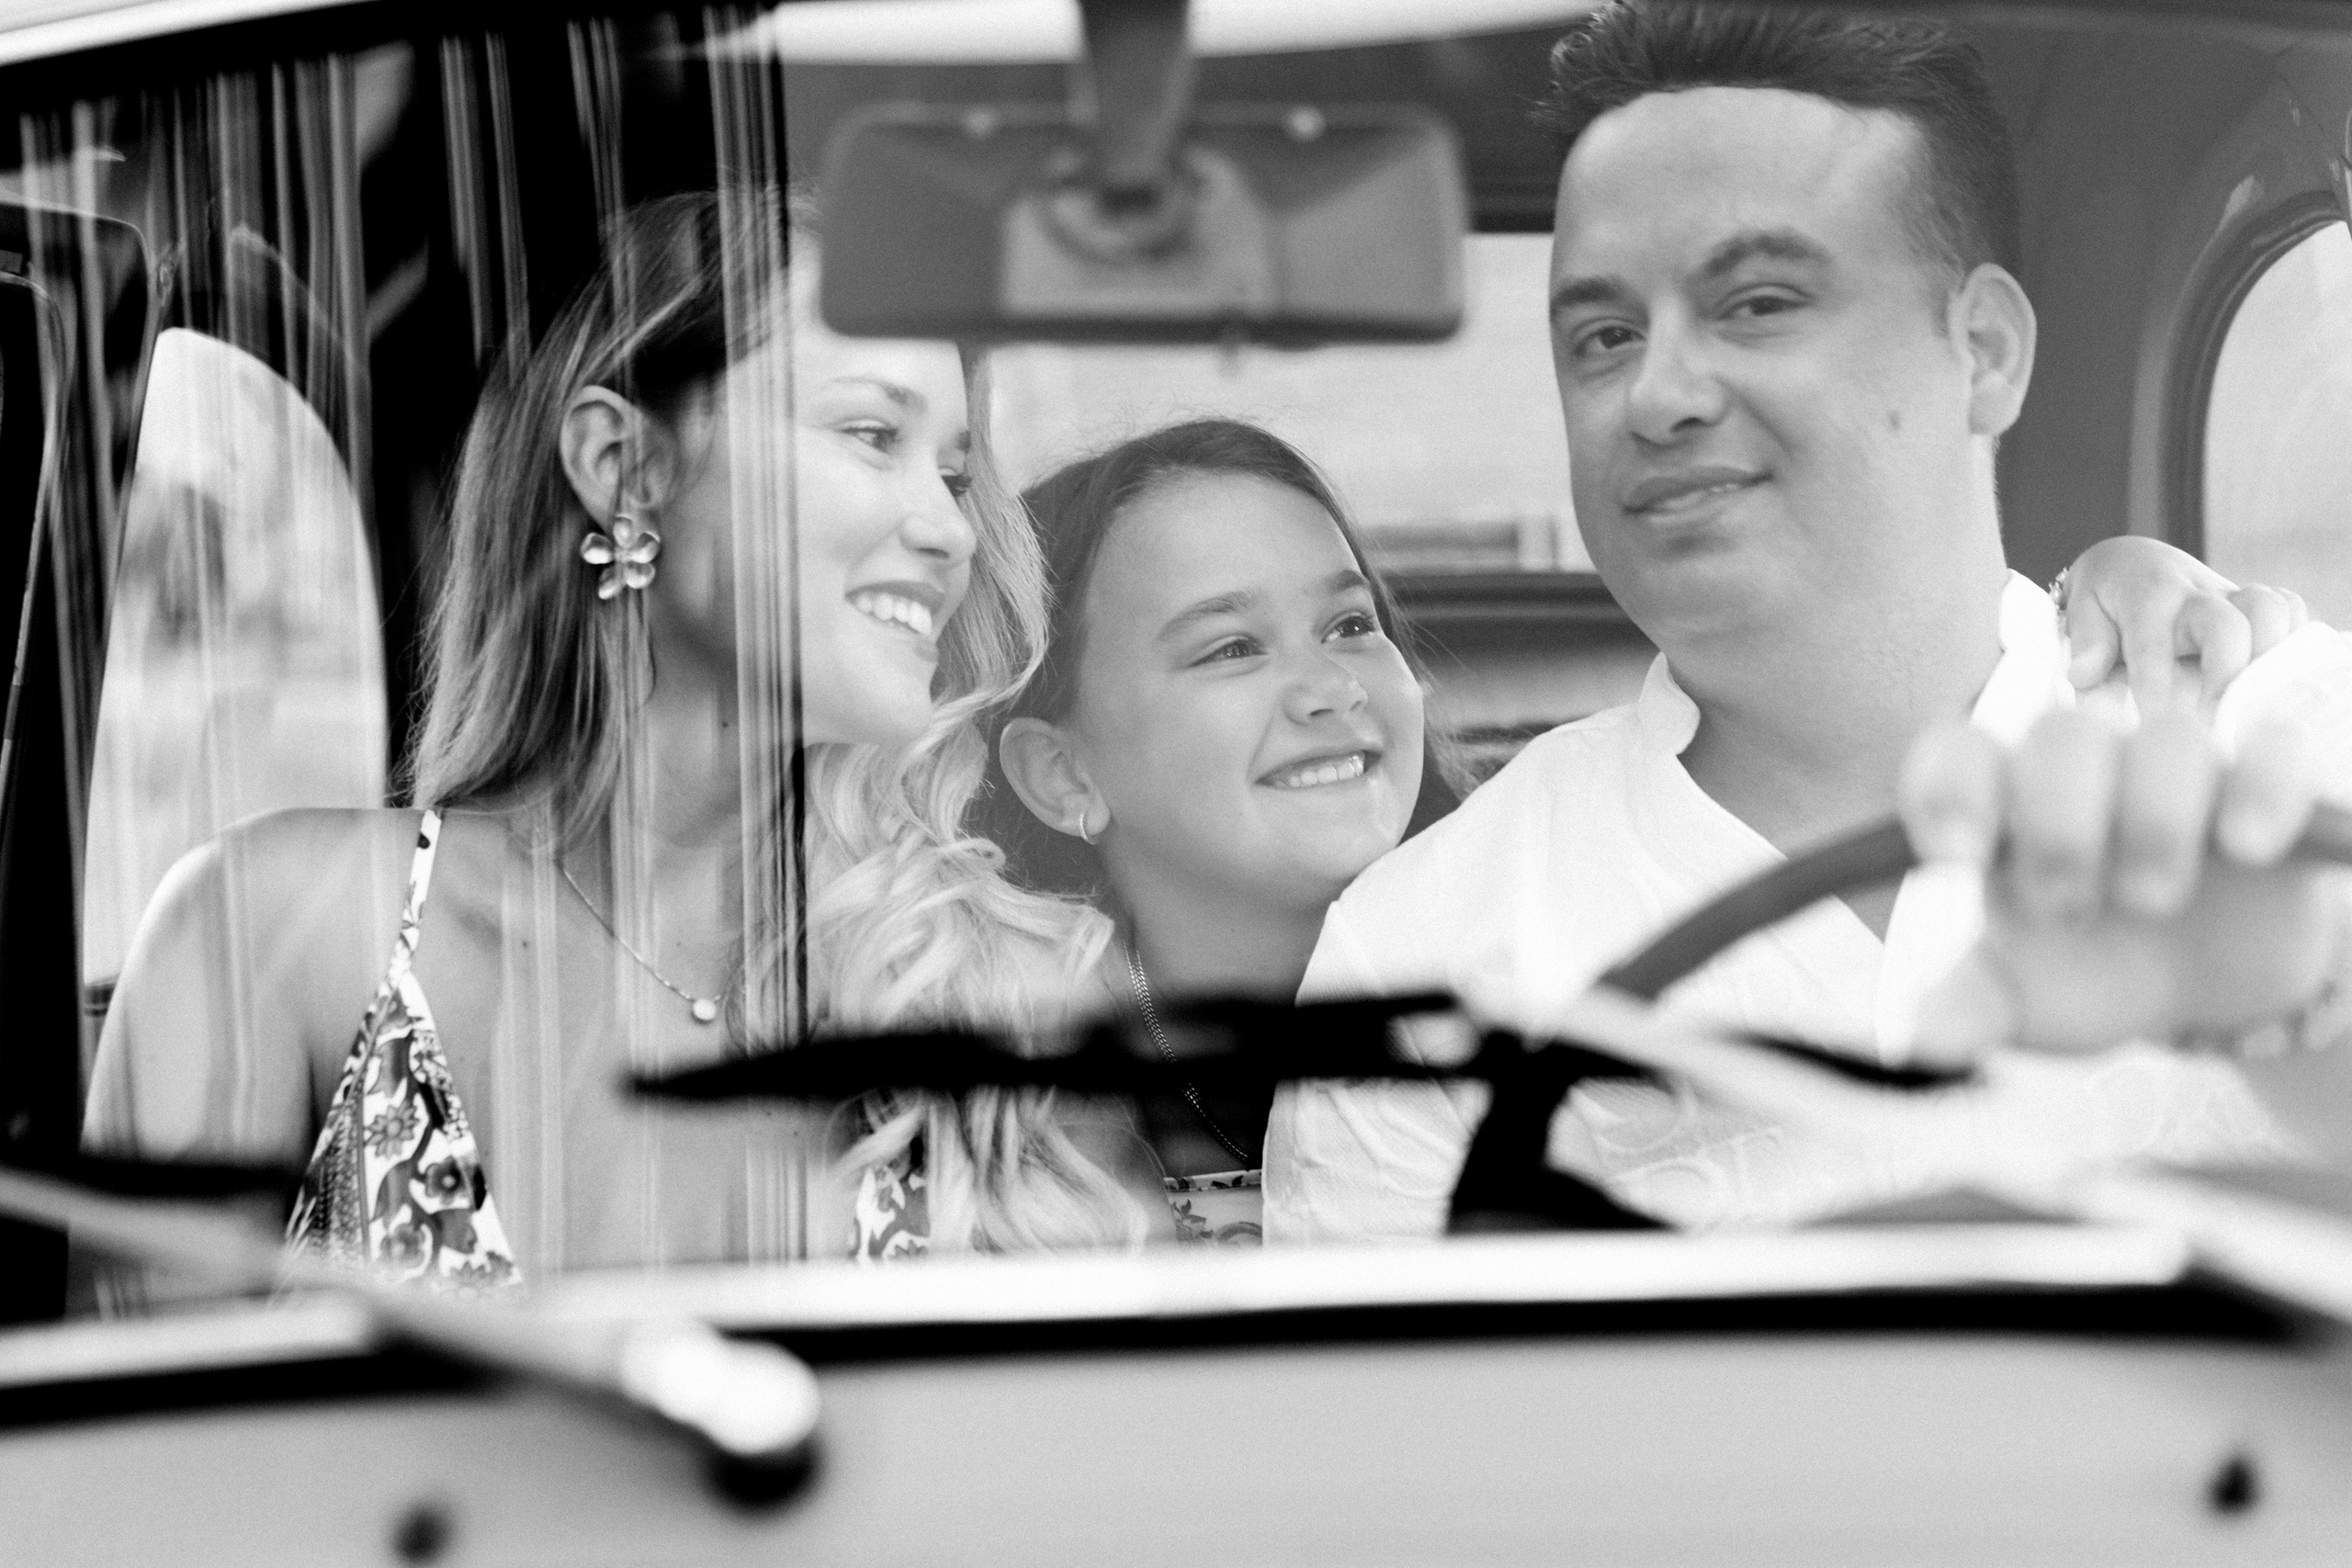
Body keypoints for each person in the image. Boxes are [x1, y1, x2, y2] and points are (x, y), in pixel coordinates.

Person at [1262, 2, 2352, 1242]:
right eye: (1604, 335)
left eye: (1759, 302)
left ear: (1985, 350)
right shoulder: (1420, 955)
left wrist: (2295, 1031)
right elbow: (1395, 1429)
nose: (1657, 394)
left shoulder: (2301, 747)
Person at [82, 191, 1145, 1283]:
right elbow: (129, 1449)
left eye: (957, 474)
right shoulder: (272, 934)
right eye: (872, 436)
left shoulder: (1012, 996)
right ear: (623, 467)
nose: (952, 529)